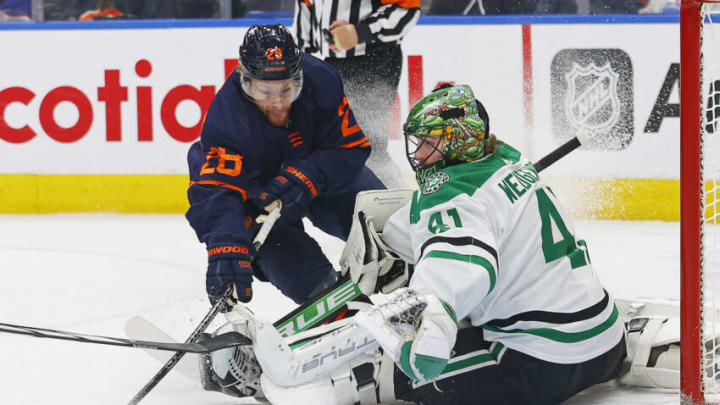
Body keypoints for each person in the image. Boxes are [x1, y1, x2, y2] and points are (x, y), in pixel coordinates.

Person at [223, 83, 627, 405]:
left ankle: (281, 379)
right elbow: (468, 230)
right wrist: (397, 239)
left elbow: (460, 270)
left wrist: (429, 328)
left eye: (430, 141)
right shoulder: (507, 162)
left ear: (457, 140)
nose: (420, 152)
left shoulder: (452, 198)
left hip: (539, 364)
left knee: (389, 368)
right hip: (605, 341)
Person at [185, 25, 384, 314]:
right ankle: (344, 316)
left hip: (326, 181)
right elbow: (217, 190)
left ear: (300, 78)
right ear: (245, 80)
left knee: (389, 230)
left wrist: (311, 174)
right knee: (311, 281)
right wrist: (225, 243)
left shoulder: (322, 80)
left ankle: (439, 294)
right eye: (265, 91)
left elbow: (349, 146)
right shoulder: (226, 118)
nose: (277, 102)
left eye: (287, 89)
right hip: (262, 205)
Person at [293, 0, 421, 189]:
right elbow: (306, 10)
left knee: (367, 145)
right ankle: (355, 202)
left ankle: (393, 202)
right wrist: (301, 59)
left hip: (374, 59)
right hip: (332, 64)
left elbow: (407, 8)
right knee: (333, 142)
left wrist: (360, 32)